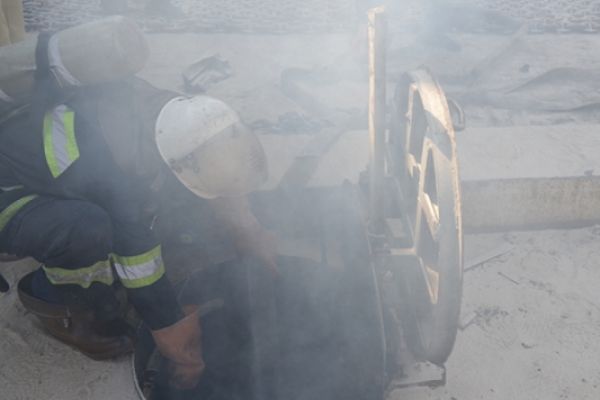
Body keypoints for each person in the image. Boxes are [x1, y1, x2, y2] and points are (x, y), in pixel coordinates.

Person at [0, 76, 275, 389]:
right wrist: (167, 322)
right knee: (88, 229)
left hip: (47, 157)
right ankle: (57, 302)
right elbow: (132, 241)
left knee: (148, 210)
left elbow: (212, 160)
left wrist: (247, 227)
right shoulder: (105, 164)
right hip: (9, 191)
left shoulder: (180, 117)